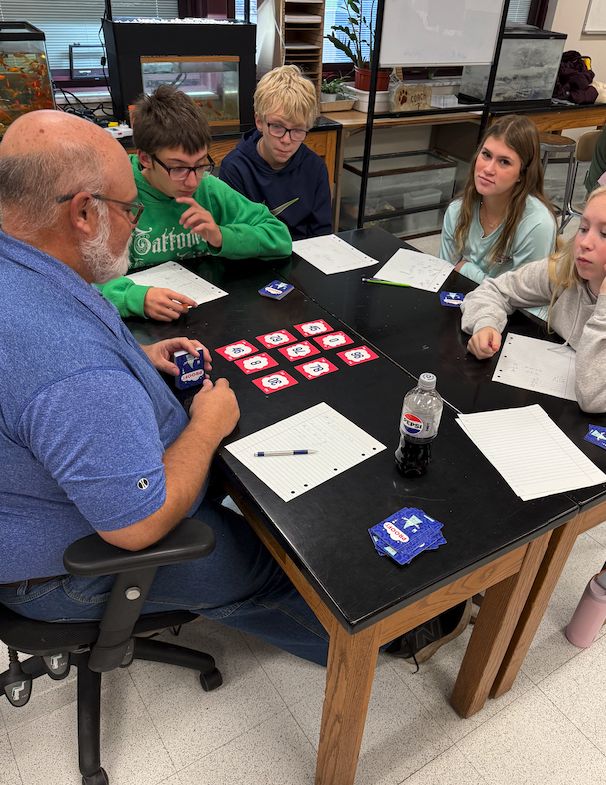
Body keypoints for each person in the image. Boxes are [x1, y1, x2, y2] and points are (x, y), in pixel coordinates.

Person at [0, 110, 466, 668]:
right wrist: (206, 425)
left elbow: (44, 386)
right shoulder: (75, 371)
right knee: (271, 567)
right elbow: (138, 524)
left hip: (36, 518)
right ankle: (387, 640)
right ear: (82, 213)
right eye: (130, 210)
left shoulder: (25, 268)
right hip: (66, 569)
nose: (135, 221)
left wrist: (138, 358)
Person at [98, 85, 293, 322]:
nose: (192, 181)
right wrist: (134, 298)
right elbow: (76, 278)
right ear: (146, 158)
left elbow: (280, 238)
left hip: (203, 316)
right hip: (137, 326)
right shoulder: (113, 194)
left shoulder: (208, 188)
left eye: (200, 164)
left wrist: (221, 236)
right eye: (178, 168)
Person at [461, 179, 606, 414]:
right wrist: (485, 324)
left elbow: (597, 397)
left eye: (605, 234)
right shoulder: (565, 270)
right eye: (583, 228)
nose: (584, 243)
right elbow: (493, 290)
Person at [439, 115, 556, 285]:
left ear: (522, 173)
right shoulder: (457, 210)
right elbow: (442, 276)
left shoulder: (536, 225)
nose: (488, 169)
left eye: (504, 162)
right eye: (486, 154)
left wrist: (466, 269)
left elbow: (523, 296)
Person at [219, 65, 332, 241]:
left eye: (298, 129)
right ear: (259, 121)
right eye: (278, 126)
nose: (286, 140)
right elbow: (236, 237)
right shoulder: (235, 168)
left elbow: (322, 236)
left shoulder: (315, 168)